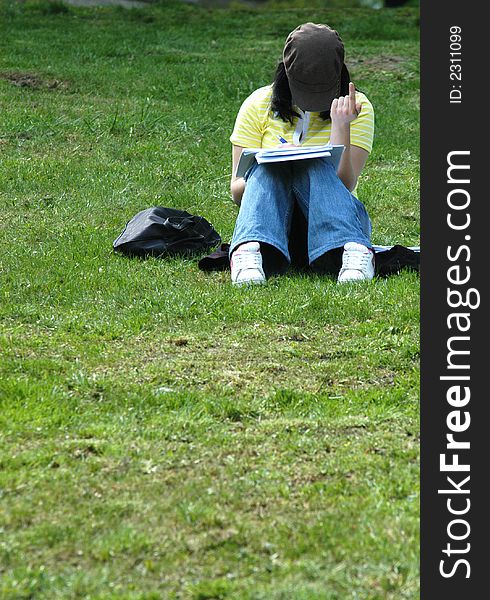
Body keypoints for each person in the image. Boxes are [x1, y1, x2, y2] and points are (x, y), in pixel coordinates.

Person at [229, 22, 375, 285]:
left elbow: (345, 185)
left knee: (317, 164)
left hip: (335, 227)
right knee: (267, 166)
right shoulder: (257, 104)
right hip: (271, 227)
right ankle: (247, 250)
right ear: (286, 73)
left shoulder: (357, 107)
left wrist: (341, 126)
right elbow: (237, 191)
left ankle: (355, 250)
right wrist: (273, 161)